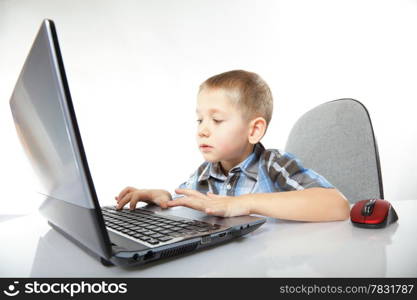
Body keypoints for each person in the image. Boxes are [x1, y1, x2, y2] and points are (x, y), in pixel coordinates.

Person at [115, 70, 350, 221]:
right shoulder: (206, 172)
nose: (202, 130)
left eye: (216, 120)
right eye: (200, 120)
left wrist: (239, 204)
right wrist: (161, 196)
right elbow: (187, 201)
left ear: (254, 130)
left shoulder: (274, 165)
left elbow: (337, 205)